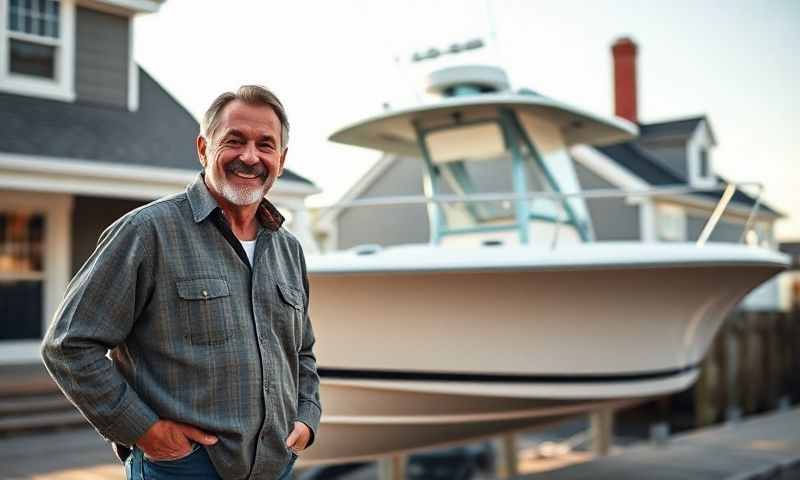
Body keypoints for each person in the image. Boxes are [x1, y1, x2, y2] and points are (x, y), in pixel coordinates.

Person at [41, 85, 321, 479]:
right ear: (204, 148)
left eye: (265, 145)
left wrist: (306, 420)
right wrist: (145, 431)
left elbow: (302, 353)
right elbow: (68, 345)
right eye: (234, 141)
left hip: (275, 466)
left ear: (281, 158)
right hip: (182, 469)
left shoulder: (288, 249)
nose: (250, 156)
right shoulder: (146, 232)